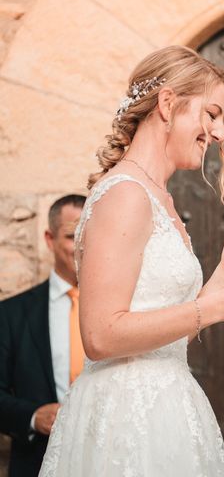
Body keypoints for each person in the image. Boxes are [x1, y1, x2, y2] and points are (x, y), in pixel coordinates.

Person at [38, 45, 224, 476]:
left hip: (168, 409)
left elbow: (164, 332)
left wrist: (220, 282)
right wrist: (213, 308)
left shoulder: (159, 198)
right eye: (211, 114)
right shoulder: (125, 194)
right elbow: (100, 335)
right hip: (124, 417)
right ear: (168, 103)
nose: (219, 132)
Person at [0, 194, 86, 477]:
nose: (83, 247)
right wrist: (34, 417)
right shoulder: (11, 314)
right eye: (73, 236)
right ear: (49, 239)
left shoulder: (127, 309)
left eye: (90, 234)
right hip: (36, 462)